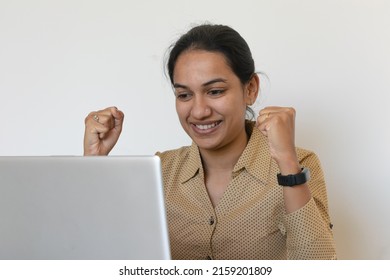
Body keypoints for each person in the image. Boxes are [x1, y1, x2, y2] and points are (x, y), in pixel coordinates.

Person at [83, 24, 337, 260]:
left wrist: (287, 163)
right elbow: (107, 257)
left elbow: (319, 266)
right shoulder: (160, 171)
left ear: (250, 89)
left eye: (215, 91)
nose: (199, 111)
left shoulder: (299, 164)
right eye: (184, 95)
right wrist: (93, 167)